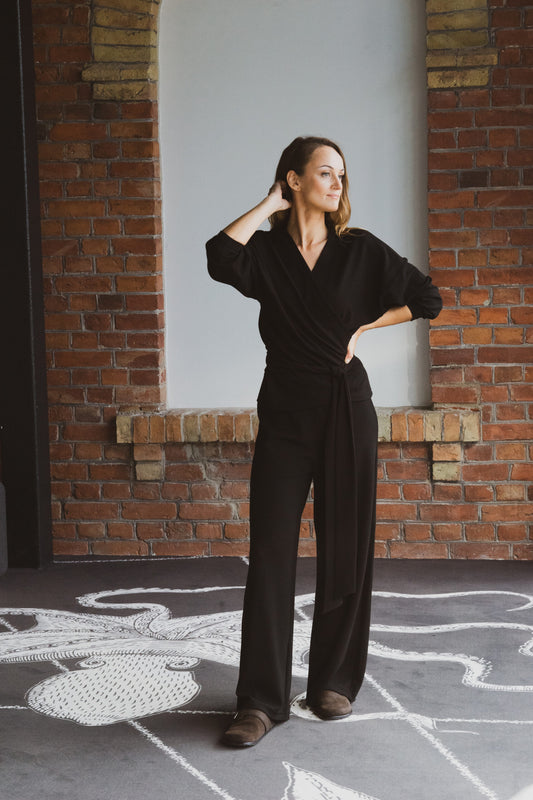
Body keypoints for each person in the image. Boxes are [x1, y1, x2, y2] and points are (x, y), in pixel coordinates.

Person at [206, 136, 442, 748]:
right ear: (294, 179)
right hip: (286, 412)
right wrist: (268, 204)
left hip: (346, 409)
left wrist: (364, 326)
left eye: (341, 174)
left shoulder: (358, 249)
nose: (337, 183)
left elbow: (427, 298)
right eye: (324, 173)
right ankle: (259, 701)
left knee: (346, 545)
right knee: (271, 553)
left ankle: (333, 682)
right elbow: (218, 256)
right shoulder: (265, 253)